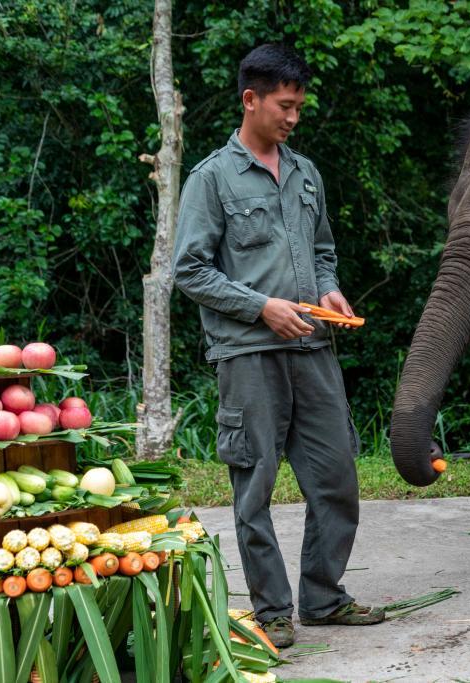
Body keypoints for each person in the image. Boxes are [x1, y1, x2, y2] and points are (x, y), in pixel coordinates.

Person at [172, 43, 384, 648]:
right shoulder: (211, 179)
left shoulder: (305, 172)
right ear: (251, 99)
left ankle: (323, 597)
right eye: (284, 106)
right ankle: (271, 610)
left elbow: (321, 252)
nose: (293, 118)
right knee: (255, 487)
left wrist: (330, 291)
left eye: (299, 107)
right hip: (248, 356)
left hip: (314, 349)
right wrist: (261, 306)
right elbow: (188, 270)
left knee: (337, 477)